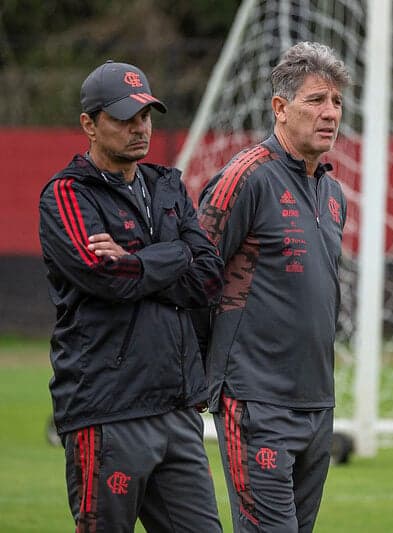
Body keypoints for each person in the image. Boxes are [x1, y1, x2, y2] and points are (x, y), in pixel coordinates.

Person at [38, 60, 224, 532]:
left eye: (145, 116)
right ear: (89, 124)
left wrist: (139, 259)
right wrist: (174, 254)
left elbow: (208, 278)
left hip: (178, 409)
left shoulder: (168, 186)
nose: (139, 128)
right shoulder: (65, 195)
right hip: (108, 413)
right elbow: (107, 278)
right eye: (124, 118)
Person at [197, 41, 351, 532]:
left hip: (317, 402)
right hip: (254, 401)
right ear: (280, 109)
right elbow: (193, 276)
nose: (330, 113)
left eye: (336, 102)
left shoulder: (333, 193)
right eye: (315, 101)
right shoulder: (245, 177)